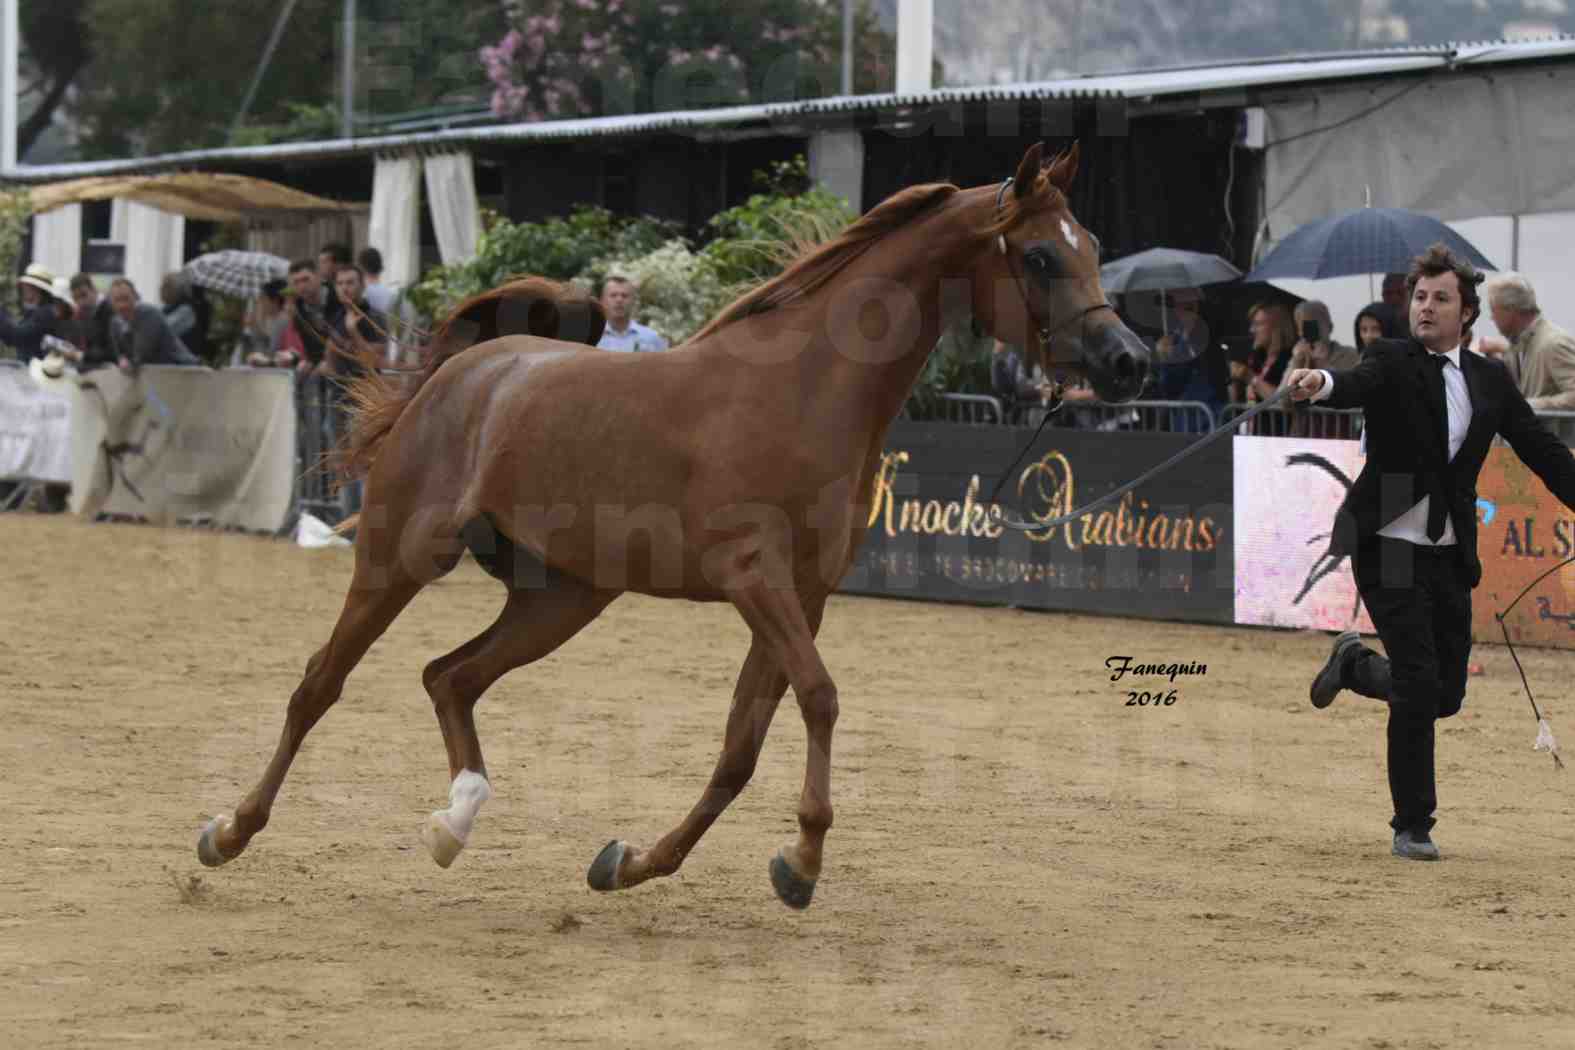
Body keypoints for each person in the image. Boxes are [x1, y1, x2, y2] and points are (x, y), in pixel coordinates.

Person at [1287, 243, 1575, 862]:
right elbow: (1353, 384)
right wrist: (1319, 382)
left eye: (1440, 298)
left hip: (1447, 552)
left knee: (1445, 695)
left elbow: (1541, 450)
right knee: (1419, 681)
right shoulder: (1391, 359)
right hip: (1388, 540)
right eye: (1419, 297)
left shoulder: (1489, 381)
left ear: (1466, 313)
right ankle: (1413, 824)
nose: (1426, 307)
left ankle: (1355, 665)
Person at [1487, 273, 1575, 412]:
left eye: (1493, 309)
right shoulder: (1520, 344)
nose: (1491, 317)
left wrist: (1531, 405)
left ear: (1510, 309)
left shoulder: (1553, 343)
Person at [1150, 288, 1226, 430]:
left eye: (1189, 305)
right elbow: (1168, 386)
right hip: (1183, 420)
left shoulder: (1207, 335)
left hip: (1208, 417)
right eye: (1180, 305)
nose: (1185, 310)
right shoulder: (1173, 339)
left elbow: (1215, 373)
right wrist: (1164, 356)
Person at [107, 278, 201, 369]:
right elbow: (120, 355)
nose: (122, 305)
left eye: (126, 298)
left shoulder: (148, 314)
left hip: (182, 369)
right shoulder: (115, 322)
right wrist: (122, 360)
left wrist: (126, 362)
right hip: (156, 373)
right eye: (117, 300)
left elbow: (141, 356)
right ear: (111, 302)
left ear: (135, 296)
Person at [0, 263, 68, 364]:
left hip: (40, 373)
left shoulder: (46, 313)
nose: (23, 290)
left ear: (35, 289)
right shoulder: (36, 312)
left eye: (26, 286)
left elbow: (17, 336)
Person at [595, 275, 668, 352]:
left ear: (633, 301)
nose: (619, 300)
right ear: (602, 301)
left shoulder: (651, 338)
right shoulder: (591, 339)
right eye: (613, 295)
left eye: (625, 296)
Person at [64, 273, 118, 370]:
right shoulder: (85, 313)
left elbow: (112, 351)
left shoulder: (110, 310)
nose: (81, 302)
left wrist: (81, 355)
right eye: (76, 298)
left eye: (84, 295)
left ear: (93, 290)